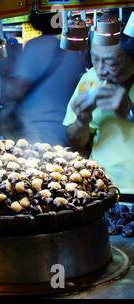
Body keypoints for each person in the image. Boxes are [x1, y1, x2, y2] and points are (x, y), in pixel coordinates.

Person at [1, 12, 90, 146]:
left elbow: (18, 88)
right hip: (68, 127)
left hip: (39, 129)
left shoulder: (35, 45)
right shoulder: (72, 49)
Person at [63, 32, 134, 196]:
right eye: (95, 59)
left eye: (111, 63)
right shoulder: (90, 79)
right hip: (102, 190)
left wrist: (129, 112)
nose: (100, 71)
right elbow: (74, 144)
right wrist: (81, 120)